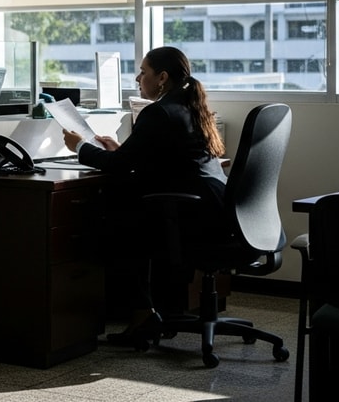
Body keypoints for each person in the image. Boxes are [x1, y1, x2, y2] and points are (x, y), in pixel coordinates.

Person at [62, 46, 227, 346]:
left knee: (119, 220)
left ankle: (142, 314)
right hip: (215, 209)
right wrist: (120, 151)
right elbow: (148, 159)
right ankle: (155, 310)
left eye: (143, 72)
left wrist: (80, 148)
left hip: (193, 217)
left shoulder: (160, 111)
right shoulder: (189, 107)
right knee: (129, 209)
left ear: (162, 77)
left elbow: (121, 166)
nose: (138, 79)